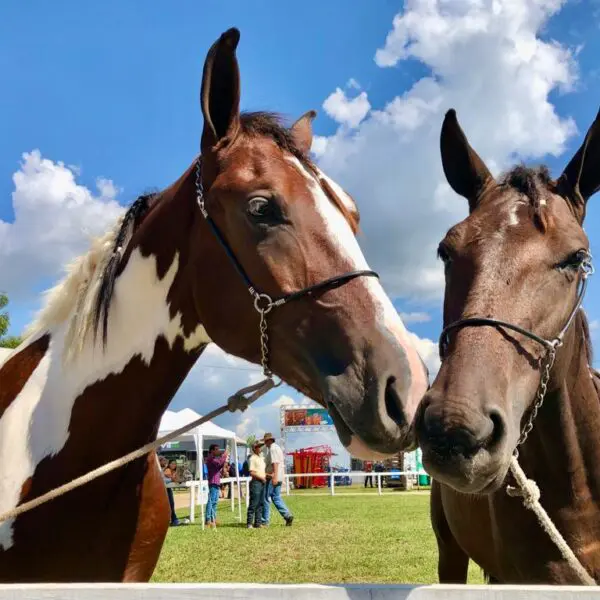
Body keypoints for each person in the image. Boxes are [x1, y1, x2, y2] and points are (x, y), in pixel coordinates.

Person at [261, 432, 293, 527]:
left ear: (269, 441)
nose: (265, 444)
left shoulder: (273, 449)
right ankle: (287, 515)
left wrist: (274, 477)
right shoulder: (277, 448)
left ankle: (265, 521)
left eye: (266, 441)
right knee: (276, 497)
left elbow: (275, 463)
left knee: (266, 498)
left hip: (273, 477)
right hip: (279, 476)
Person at [204, 444, 228, 529]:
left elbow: (220, 465)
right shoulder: (210, 458)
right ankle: (208, 520)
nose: (218, 451)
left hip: (216, 482)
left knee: (214, 501)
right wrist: (224, 456)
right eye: (216, 449)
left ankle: (213, 519)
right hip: (213, 482)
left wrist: (224, 460)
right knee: (211, 501)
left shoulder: (214, 458)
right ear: (212, 450)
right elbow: (219, 463)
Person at [246, 440, 267, 528]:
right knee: (254, 503)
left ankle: (258, 523)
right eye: (259, 447)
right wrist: (262, 478)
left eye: (260, 446)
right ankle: (249, 523)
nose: (260, 448)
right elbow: (252, 472)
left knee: (261, 503)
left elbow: (261, 471)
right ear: (254, 448)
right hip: (256, 483)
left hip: (262, 482)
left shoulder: (261, 458)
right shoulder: (252, 458)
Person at [159, 456, 180, 527]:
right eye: (164, 460)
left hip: (168, 490)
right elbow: (162, 480)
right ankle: (171, 520)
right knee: (166, 506)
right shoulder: (161, 470)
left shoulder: (166, 469)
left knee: (171, 504)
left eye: (166, 460)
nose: (165, 462)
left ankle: (174, 520)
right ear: (160, 461)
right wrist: (172, 479)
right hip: (161, 491)